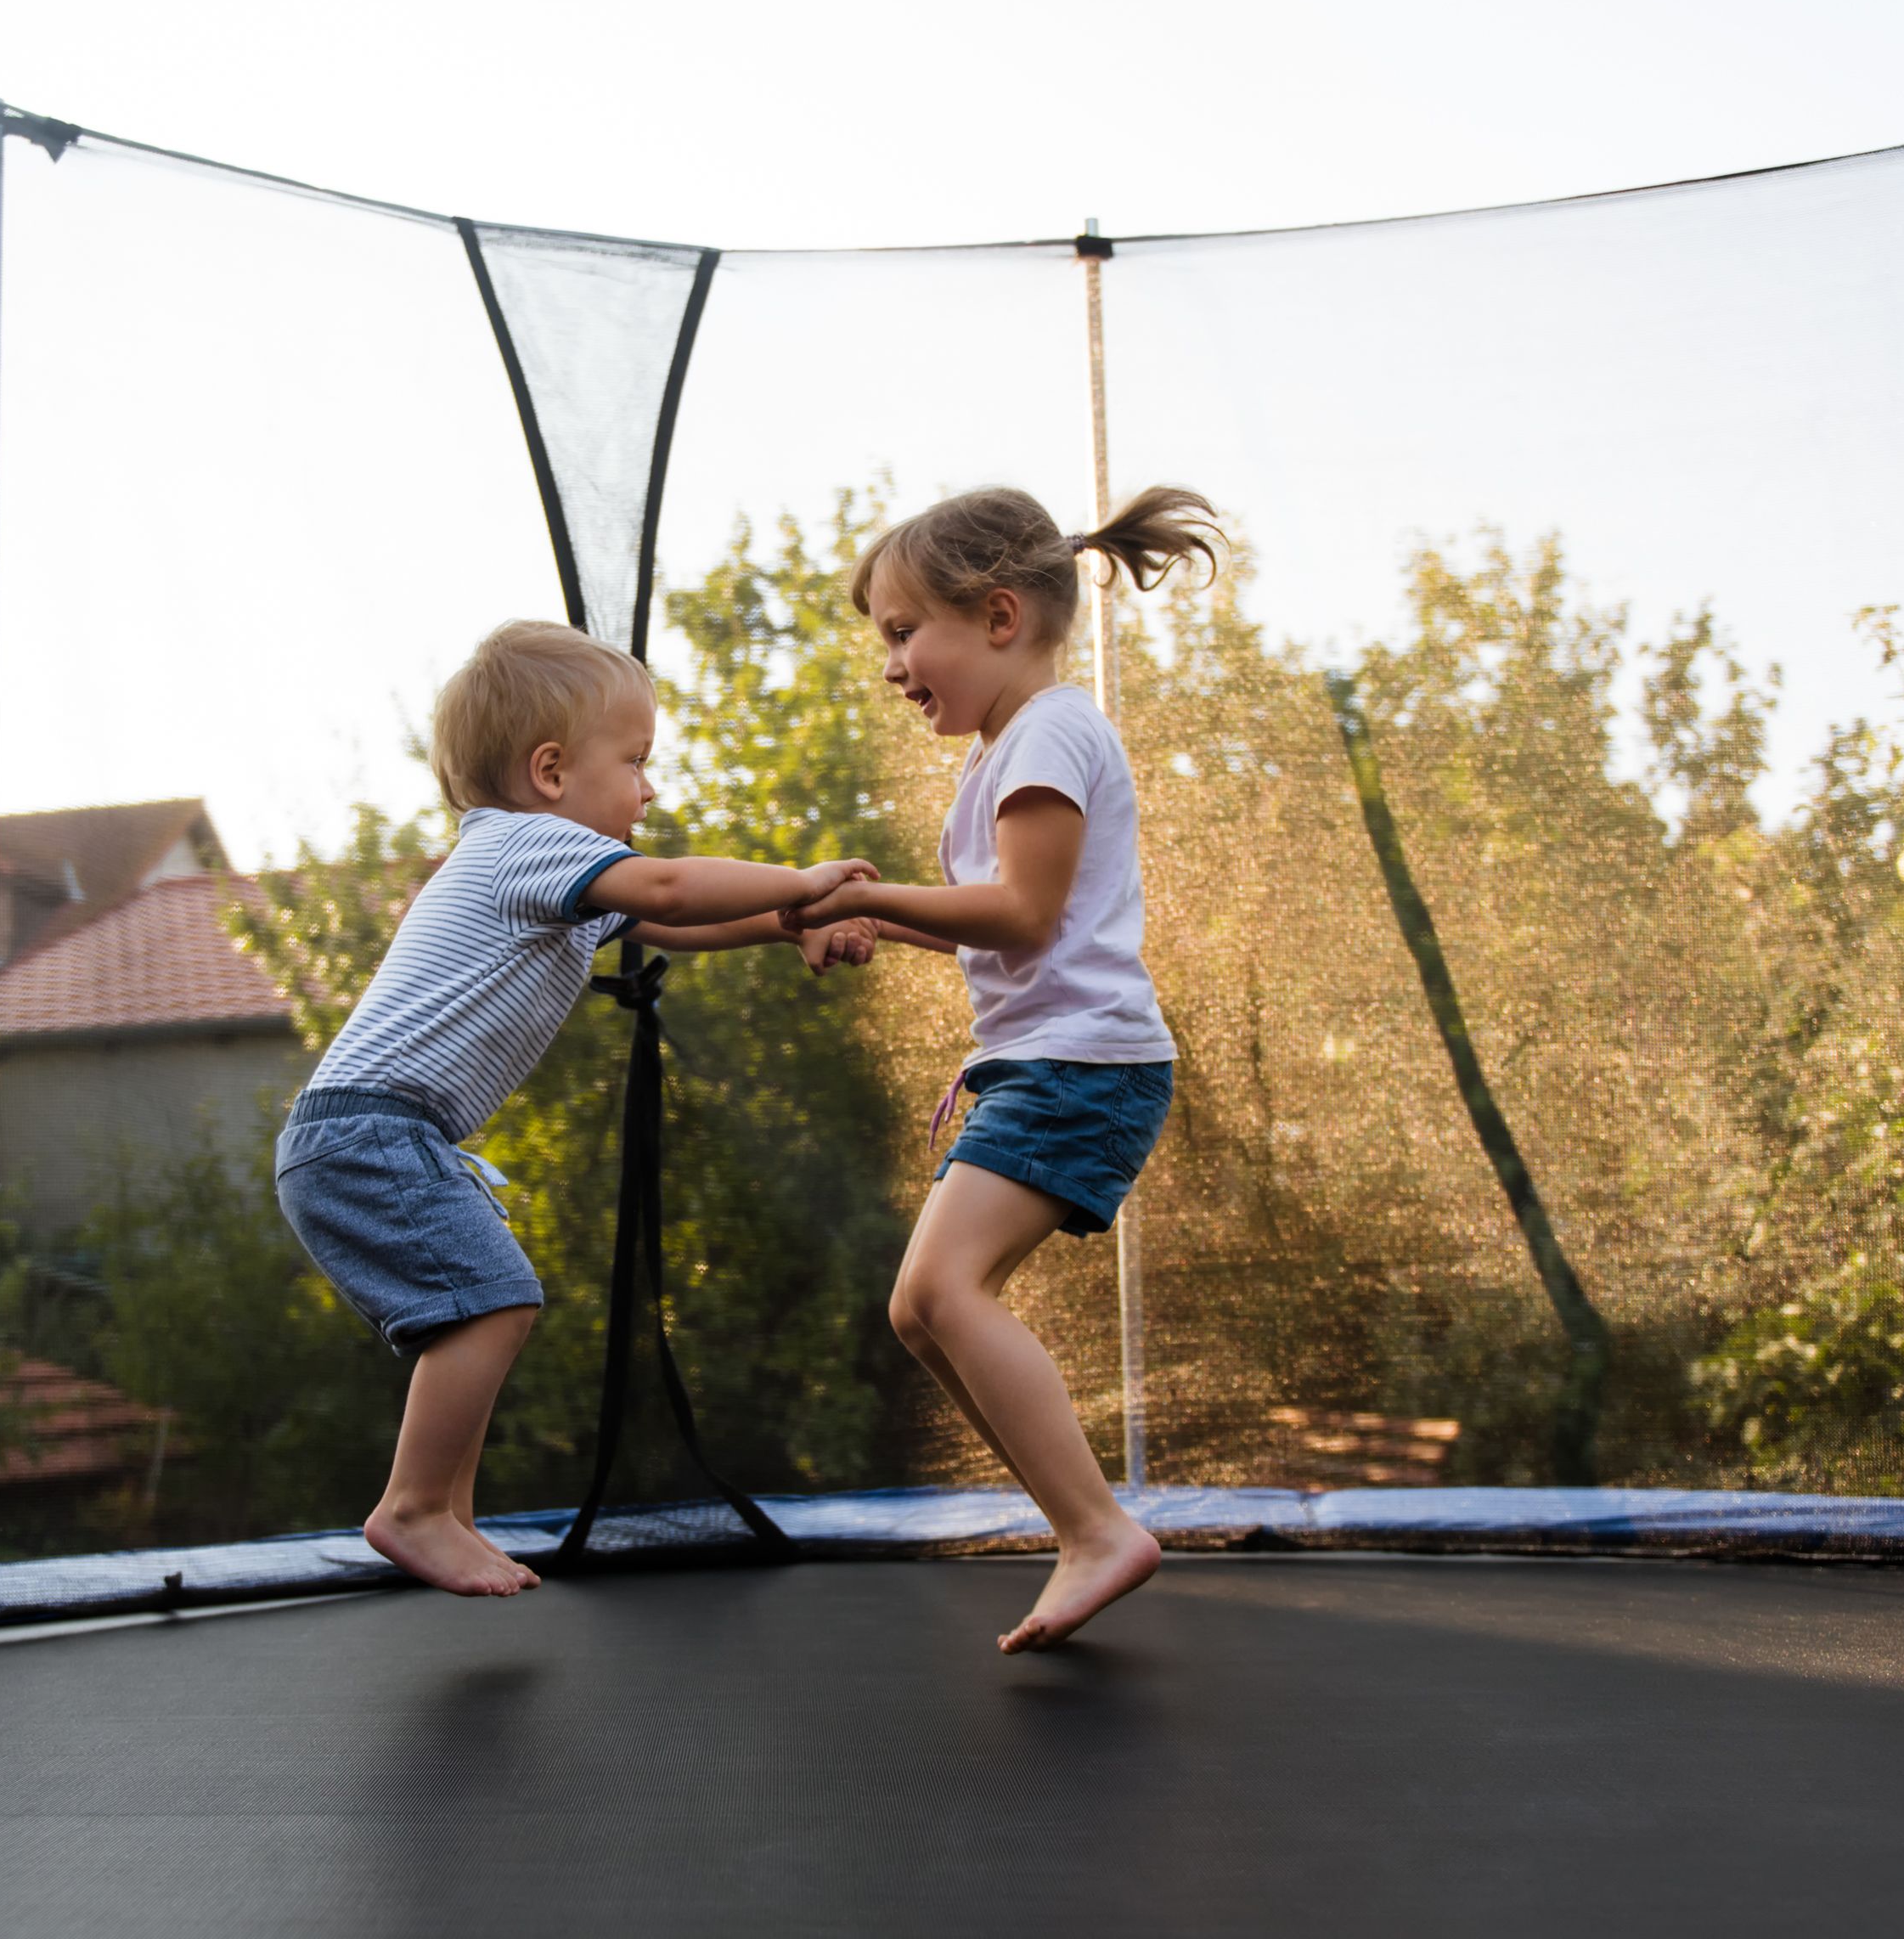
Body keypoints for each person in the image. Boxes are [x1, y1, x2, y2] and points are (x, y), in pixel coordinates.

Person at [277, 620, 878, 1597]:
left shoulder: (541, 868)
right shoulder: (525, 844)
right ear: (550, 771)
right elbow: (672, 887)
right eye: (635, 761)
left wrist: (788, 925)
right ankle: (415, 1506)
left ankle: (446, 1511)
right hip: (368, 1131)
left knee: (477, 1310)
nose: (650, 788)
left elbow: (678, 920)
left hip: (373, 1132)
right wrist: (805, 881)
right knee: (496, 1301)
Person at [789, 485, 1222, 1652]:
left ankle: (1095, 1530)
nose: (890, 667)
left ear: (996, 615)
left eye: (901, 632)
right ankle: (1084, 1526)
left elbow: (1022, 912)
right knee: (921, 1309)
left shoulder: (1050, 732)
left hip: (1081, 1066)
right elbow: (1011, 927)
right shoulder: (1004, 752)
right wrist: (876, 921)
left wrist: (864, 895)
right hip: (1047, 1064)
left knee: (942, 1293)